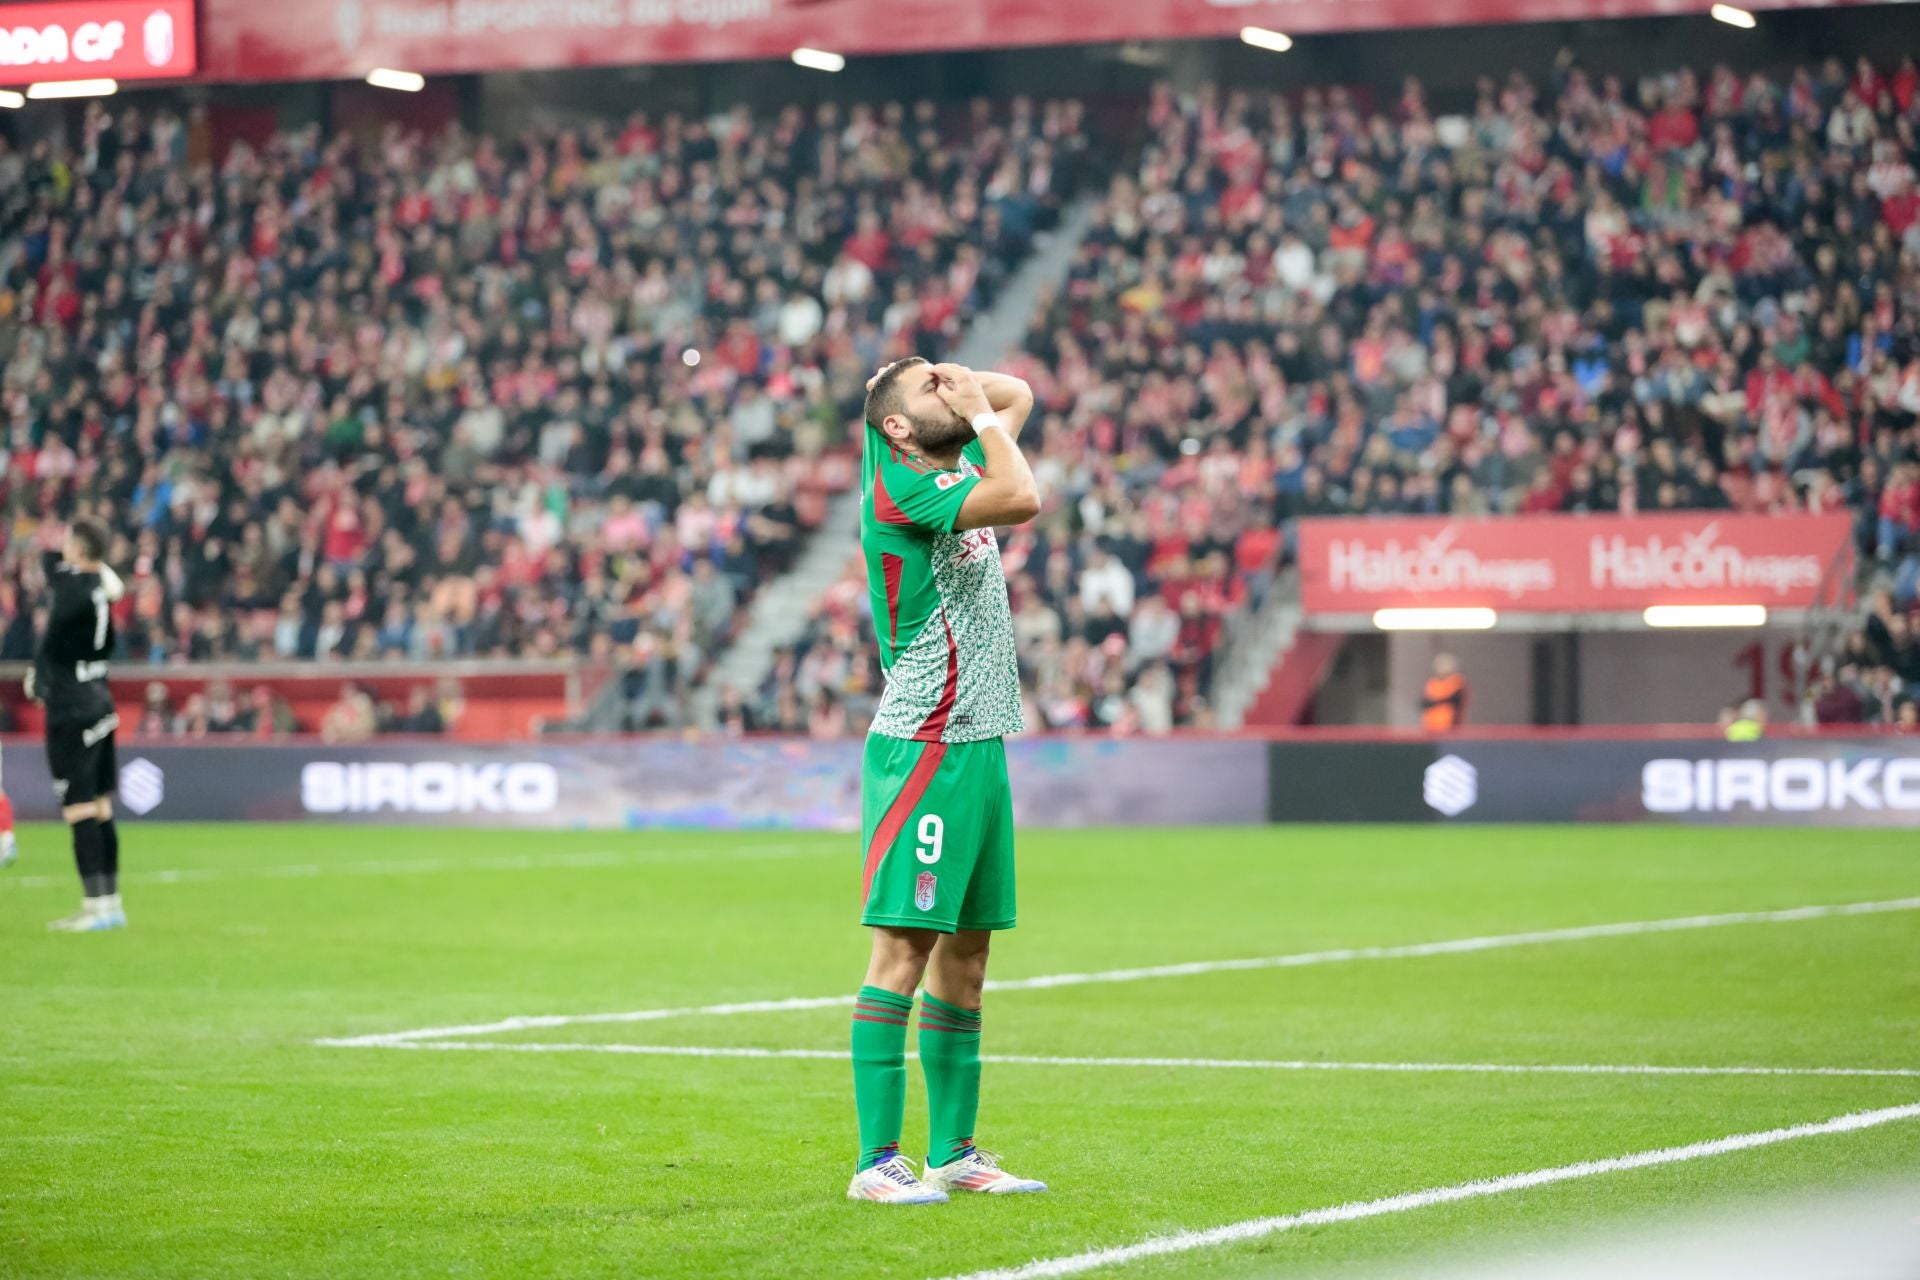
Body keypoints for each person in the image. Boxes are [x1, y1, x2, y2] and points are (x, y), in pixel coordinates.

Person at [846, 357, 1047, 1205]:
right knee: (903, 950)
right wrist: (974, 413)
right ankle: (875, 1163)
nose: (953, 392)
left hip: (978, 742)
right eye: (927, 390)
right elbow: (1025, 496)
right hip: (924, 744)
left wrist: (954, 382)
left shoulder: (944, 462)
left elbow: (1019, 395)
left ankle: (955, 1152)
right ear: (895, 427)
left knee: (967, 959)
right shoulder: (902, 489)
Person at [27, 518, 127, 931]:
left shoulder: (71, 587)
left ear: (80, 551)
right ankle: (110, 904)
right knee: (102, 808)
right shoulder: (100, 589)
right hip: (100, 699)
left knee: (80, 807)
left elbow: (50, 564)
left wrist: (41, 672)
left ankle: (93, 907)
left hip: (71, 707)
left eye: (69, 541)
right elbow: (101, 579)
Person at [1420, 653, 1467, 732]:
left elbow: (1454, 700)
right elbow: (1424, 702)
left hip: (1450, 727)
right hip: (1431, 727)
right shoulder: (1433, 683)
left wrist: (1435, 702)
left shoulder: (1456, 682)